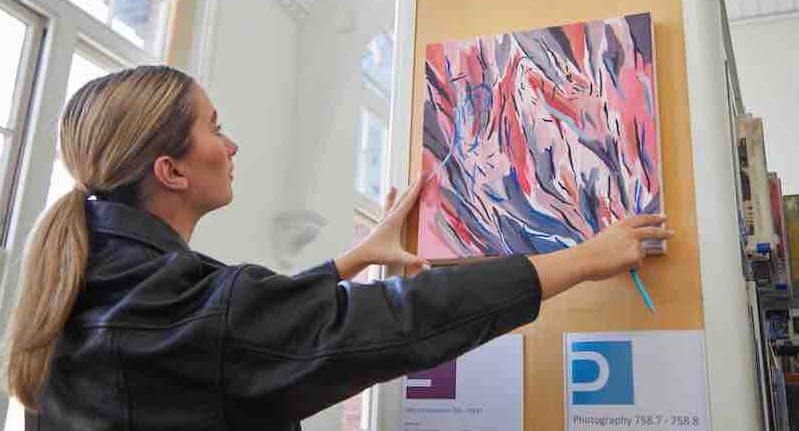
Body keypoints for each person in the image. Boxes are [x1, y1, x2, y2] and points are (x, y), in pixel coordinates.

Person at [3, 66, 672, 430]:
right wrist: (581, 259)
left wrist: (351, 261)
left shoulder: (83, 285)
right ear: (171, 170)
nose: (230, 145)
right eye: (214, 126)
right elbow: (402, 318)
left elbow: (244, 330)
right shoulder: (179, 309)